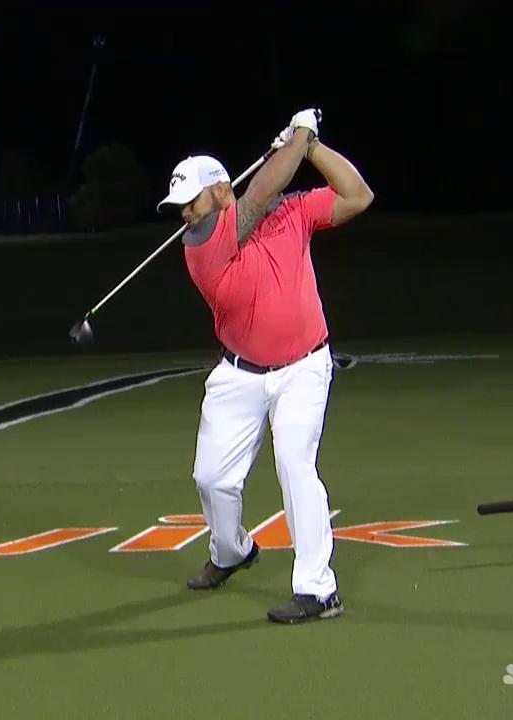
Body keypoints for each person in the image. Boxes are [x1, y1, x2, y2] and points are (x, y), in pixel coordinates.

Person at [156, 109, 374, 624]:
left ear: (220, 191)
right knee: (212, 479)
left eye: (191, 202)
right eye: (179, 207)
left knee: (296, 467)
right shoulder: (200, 244)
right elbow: (257, 195)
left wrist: (312, 147)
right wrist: (301, 134)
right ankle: (231, 551)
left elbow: (358, 196)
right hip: (239, 375)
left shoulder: (292, 211)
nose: (185, 214)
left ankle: (318, 590)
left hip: (303, 368)